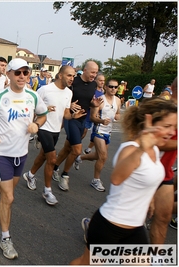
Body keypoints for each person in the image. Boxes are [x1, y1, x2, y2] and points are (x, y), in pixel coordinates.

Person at [72, 97, 177, 265]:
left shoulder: (155, 150)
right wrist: (142, 147)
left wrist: (149, 200)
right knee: (85, 263)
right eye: (167, 126)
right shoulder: (131, 149)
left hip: (135, 228)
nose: (172, 132)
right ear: (149, 122)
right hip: (110, 226)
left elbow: (148, 179)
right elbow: (117, 178)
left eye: (174, 127)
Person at [0, 58, 48, 260]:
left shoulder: (33, 96)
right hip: (2, 153)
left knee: (6, 189)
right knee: (9, 197)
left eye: (26, 73)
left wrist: (37, 124)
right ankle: (5, 239)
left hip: (21, 153)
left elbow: (42, 115)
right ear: (8, 74)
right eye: (18, 72)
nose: (22, 76)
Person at [22, 65, 77, 206]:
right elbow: (31, 107)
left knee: (43, 156)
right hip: (43, 127)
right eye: (69, 75)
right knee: (52, 159)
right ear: (60, 75)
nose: (72, 78)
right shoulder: (45, 90)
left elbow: (65, 114)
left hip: (56, 129)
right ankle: (47, 190)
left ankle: (30, 175)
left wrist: (73, 115)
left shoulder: (69, 93)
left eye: (73, 76)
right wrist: (45, 110)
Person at [52, 61, 101, 192]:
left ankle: (54, 167)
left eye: (96, 73)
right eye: (92, 72)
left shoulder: (94, 85)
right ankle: (65, 175)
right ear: (85, 70)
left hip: (82, 119)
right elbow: (61, 94)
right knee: (77, 150)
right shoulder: (74, 81)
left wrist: (93, 104)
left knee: (68, 147)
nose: (94, 75)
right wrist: (70, 104)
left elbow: (87, 100)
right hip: (70, 118)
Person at [73, 79, 121, 192]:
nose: (113, 89)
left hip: (108, 132)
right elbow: (92, 117)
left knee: (97, 156)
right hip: (98, 131)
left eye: (115, 87)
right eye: (111, 86)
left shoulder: (118, 101)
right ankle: (96, 180)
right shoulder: (100, 100)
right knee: (103, 157)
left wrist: (118, 116)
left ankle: (80, 158)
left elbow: (118, 113)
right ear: (105, 87)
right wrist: (101, 121)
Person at [149, 77, 177, 245]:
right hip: (144, 170)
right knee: (124, 217)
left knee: (163, 217)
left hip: (165, 173)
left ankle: (156, 259)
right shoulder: (162, 108)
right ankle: (93, 226)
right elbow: (154, 142)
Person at [82, 74, 105, 155]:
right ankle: (73, 147)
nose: (102, 82)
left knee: (97, 134)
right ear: (96, 81)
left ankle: (88, 149)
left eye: (103, 81)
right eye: (100, 80)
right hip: (88, 116)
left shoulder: (103, 92)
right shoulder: (92, 91)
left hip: (97, 118)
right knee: (83, 133)